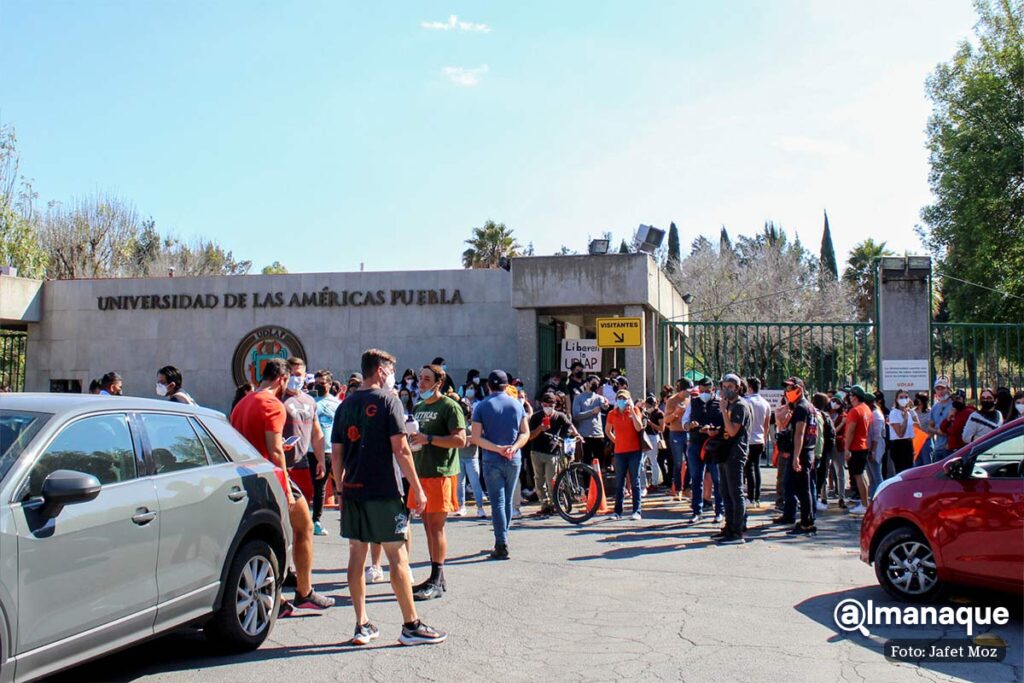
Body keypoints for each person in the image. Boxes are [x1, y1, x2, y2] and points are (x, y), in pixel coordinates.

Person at [331, 348, 446, 646]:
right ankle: (410, 624)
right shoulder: (389, 400)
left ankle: (362, 623)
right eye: (391, 370)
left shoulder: (345, 405)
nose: (393, 376)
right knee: (398, 556)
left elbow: (338, 452)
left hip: (354, 490)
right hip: (384, 489)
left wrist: (340, 489)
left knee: (357, 555)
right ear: (381, 371)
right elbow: (401, 448)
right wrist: (417, 487)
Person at [230, 358, 334, 616]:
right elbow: (276, 451)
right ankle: (304, 592)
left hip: (247, 477)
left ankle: (279, 597)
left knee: (272, 536)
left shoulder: (243, 403)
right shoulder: (273, 404)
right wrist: (286, 486)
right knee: (304, 527)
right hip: (270, 478)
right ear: (282, 379)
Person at [407, 364, 467, 601]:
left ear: (438, 383)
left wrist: (429, 439)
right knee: (426, 526)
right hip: (420, 471)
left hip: (441, 473)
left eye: (426, 379)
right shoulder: (419, 406)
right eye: (420, 378)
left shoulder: (450, 406)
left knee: (436, 526)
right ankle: (436, 578)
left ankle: (437, 576)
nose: (421, 383)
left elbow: (460, 440)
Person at [471, 370, 529, 560]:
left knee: (498, 502)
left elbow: (476, 437)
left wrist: (496, 448)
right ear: (507, 386)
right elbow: (524, 433)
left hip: (492, 458)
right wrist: (513, 448)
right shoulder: (517, 404)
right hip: (513, 458)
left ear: (489, 386)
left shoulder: (481, 406)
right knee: (507, 499)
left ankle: (501, 541)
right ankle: (503, 537)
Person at [528, 392, 580, 515]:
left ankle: (554, 503)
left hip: (553, 452)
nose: (548, 407)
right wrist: (540, 428)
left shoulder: (560, 416)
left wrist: (577, 435)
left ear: (555, 405)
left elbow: (570, 426)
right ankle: (545, 505)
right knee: (539, 480)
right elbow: (530, 436)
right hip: (536, 451)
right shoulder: (536, 417)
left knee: (552, 479)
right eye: (546, 405)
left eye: (551, 405)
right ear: (542, 404)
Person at [714, 373, 751, 544]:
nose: (726, 390)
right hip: (725, 451)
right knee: (725, 491)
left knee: (736, 492)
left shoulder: (740, 406)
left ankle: (737, 531)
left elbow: (734, 430)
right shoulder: (729, 405)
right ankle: (729, 527)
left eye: (730, 387)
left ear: (737, 388)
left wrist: (722, 410)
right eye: (724, 386)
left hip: (736, 452)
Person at [684, 378, 724, 525]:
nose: (705, 393)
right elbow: (684, 422)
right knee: (696, 479)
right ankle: (697, 512)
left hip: (713, 445)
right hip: (695, 444)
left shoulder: (720, 403)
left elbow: (725, 423)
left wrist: (713, 429)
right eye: (702, 390)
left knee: (717, 479)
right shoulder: (693, 402)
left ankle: (719, 511)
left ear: (713, 390)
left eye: (708, 390)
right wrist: (690, 425)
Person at [782, 378, 818, 535]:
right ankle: (803, 519)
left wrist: (796, 456)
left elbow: (800, 433)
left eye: (791, 388)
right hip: (807, 451)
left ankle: (806, 523)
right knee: (794, 486)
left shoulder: (802, 408)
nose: (787, 391)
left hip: (802, 452)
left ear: (799, 389)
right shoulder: (808, 407)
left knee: (802, 489)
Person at [606, 389, 646, 520]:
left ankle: (637, 511)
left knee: (635, 481)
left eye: (624, 398)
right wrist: (616, 441)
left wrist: (633, 410)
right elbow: (608, 431)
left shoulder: (635, 411)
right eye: (619, 398)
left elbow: (638, 427)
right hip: (620, 452)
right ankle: (617, 511)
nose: (622, 401)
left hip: (634, 451)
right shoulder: (612, 414)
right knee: (619, 482)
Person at [311, 370, 341, 536]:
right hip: (311, 449)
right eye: (317, 382)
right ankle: (313, 519)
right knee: (315, 485)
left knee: (329, 484)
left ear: (330, 384)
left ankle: (318, 519)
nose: (319, 385)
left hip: (329, 449)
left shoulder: (336, 404)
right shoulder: (310, 401)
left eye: (323, 383)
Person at [842, 385, 873, 514]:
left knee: (858, 476)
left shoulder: (855, 411)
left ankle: (864, 504)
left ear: (854, 396)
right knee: (862, 475)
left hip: (855, 447)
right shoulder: (866, 409)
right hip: (863, 445)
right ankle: (865, 502)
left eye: (850, 395)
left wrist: (846, 448)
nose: (848, 398)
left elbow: (850, 431)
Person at [456, 399, 487, 518]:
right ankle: (461, 506)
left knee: (475, 483)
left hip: (472, 457)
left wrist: (468, 439)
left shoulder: (473, 422)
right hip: (459, 456)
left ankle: (480, 507)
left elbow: (477, 436)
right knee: (460, 483)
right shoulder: (457, 422)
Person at [743, 377, 771, 507]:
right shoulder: (765, 403)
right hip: (760, 439)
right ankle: (757, 497)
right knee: (756, 468)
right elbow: (766, 425)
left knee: (749, 469)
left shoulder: (747, 401)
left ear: (749, 387)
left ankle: (750, 497)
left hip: (749, 439)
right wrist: (765, 439)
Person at [573, 376, 609, 469]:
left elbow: (605, 407)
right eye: (593, 382)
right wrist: (591, 412)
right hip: (585, 434)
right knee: (586, 461)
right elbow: (576, 415)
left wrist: (605, 404)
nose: (595, 385)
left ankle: (597, 481)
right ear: (587, 383)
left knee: (599, 461)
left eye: (597, 383)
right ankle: (586, 482)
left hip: (598, 434)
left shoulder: (599, 398)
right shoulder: (579, 398)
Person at [664, 378, 692, 499]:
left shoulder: (690, 400)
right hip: (675, 433)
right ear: (682, 390)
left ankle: (687, 487)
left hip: (688, 433)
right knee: (678, 462)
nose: (689, 392)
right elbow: (666, 420)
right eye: (688, 389)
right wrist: (676, 412)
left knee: (691, 461)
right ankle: (678, 489)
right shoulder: (671, 401)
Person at [887, 389, 919, 474]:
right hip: (899, 445)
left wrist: (912, 412)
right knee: (901, 473)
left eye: (906, 397)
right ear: (897, 399)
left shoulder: (909, 412)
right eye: (901, 397)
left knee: (910, 471)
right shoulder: (894, 413)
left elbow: (918, 427)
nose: (903, 399)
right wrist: (905, 419)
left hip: (909, 444)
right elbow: (900, 433)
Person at [639, 395, 664, 492]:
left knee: (653, 461)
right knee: (641, 462)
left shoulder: (659, 414)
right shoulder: (645, 413)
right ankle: (644, 483)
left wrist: (650, 423)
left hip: (653, 438)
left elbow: (661, 428)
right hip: (645, 438)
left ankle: (654, 483)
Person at [827, 392, 848, 508]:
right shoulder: (825, 414)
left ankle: (841, 497)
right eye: (833, 401)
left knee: (840, 471)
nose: (835, 404)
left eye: (838, 402)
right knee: (824, 471)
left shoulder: (843, 416)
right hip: (827, 444)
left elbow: (837, 431)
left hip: (838, 445)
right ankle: (823, 497)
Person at [928, 377, 954, 461]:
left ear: (948, 389)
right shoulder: (935, 407)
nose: (940, 391)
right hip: (938, 447)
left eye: (942, 388)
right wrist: (937, 431)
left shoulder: (953, 405)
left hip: (951, 448)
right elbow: (930, 426)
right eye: (938, 389)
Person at [913, 392, 934, 466]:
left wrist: (926, 436)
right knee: (916, 465)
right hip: (916, 441)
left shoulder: (930, 412)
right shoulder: (913, 412)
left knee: (927, 464)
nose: (916, 400)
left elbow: (932, 427)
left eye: (918, 399)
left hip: (926, 441)